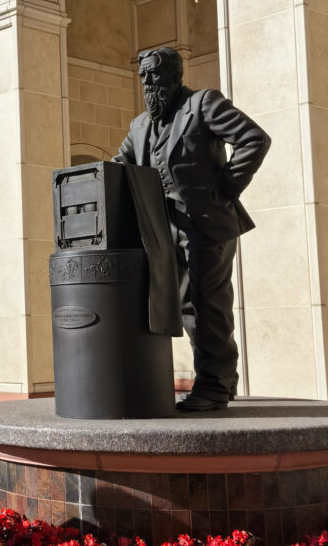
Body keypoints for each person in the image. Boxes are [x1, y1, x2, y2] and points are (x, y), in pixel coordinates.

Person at [113, 47, 271, 412]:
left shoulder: (203, 105)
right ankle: (219, 383)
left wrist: (227, 187)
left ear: (173, 76)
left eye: (154, 74)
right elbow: (119, 163)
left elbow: (253, 139)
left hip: (208, 225)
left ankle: (214, 387)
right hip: (167, 232)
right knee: (187, 306)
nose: (147, 82)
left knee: (210, 303)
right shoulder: (140, 126)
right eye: (142, 76)